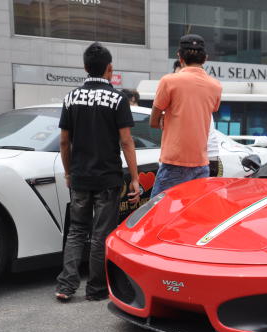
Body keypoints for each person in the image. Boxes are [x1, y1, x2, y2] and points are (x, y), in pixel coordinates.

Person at [55, 42, 140, 302]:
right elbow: (126, 141)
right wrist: (135, 178)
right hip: (107, 178)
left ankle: (66, 286)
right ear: (109, 69)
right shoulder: (117, 99)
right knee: (101, 234)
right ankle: (96, 289)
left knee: (77, 231)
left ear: (84, 67)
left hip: (80, 177)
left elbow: (63, 142)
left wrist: (69, 173)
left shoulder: (71, 98)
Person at [149, 34, 222, 197]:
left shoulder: (169, 81)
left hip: (173, 162)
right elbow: (209, 110)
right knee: (192, 216)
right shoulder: (215, 86)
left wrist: (164, 118)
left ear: (179, 57)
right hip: (201, 164)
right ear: (205, 58)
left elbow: (153, 121)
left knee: (157, 213)